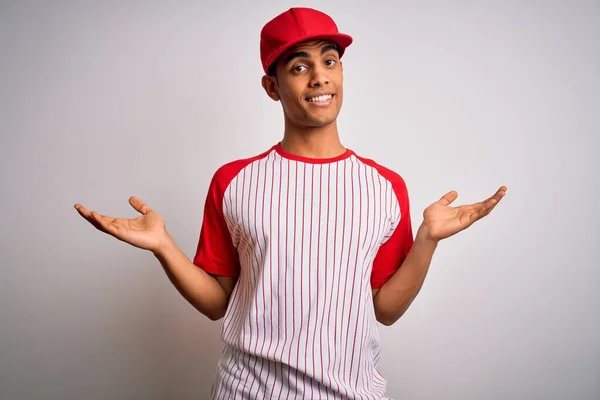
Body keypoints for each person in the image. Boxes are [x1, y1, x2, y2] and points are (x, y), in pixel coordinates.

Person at [74, 7, 506, 399]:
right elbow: (216, 303)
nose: (319, 77)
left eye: (329, 61)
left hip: (352, 392)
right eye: (299, 66)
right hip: (248, 391)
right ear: (272, 86)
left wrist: (427, 239)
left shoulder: (385, 185)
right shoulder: (233, 181)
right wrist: (163, 246)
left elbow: (386, 309)